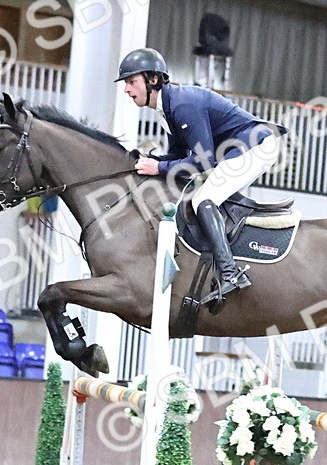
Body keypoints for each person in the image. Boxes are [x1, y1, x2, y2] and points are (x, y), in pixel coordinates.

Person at [115, 47, 283, 303]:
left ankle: (231, 273)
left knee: (203, 200)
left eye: (131, 81)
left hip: (255, 145)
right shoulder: (166, 109)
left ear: (153, 79)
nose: (126, 89)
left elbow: (202, 161)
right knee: (203, 196)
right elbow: (177, 157)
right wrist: (151, 161)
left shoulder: (182, 105)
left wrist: (158, 168)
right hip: (235, 149)